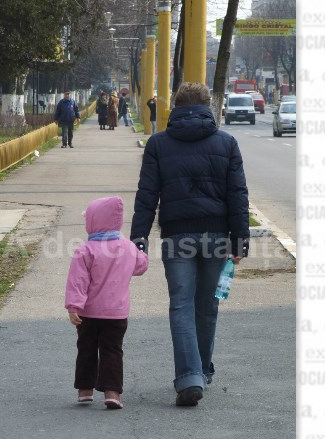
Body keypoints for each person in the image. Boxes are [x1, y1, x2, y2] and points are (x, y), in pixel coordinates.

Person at [129, 82, 250, 407]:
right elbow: (238, 196)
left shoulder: (158, 144)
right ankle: (202, 372)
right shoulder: (227, 143)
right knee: (207, 305)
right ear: (208, 106)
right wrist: (240, 242)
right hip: (216, 238)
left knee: (181, 305)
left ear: (176, 107)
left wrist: (137, 240)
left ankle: (191, 376)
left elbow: (147, 196)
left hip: (177, 237)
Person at [65, 196, 149, 410]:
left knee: (86, 349)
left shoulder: (85, 249)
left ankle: (85, 389)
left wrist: (74, 306)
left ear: (94, 222)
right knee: (113, 350)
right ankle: (112, 393)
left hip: (88, 313)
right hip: (116, 312)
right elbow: (140, 267)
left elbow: (78, 281)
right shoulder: (128, 247)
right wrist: (141, 251)